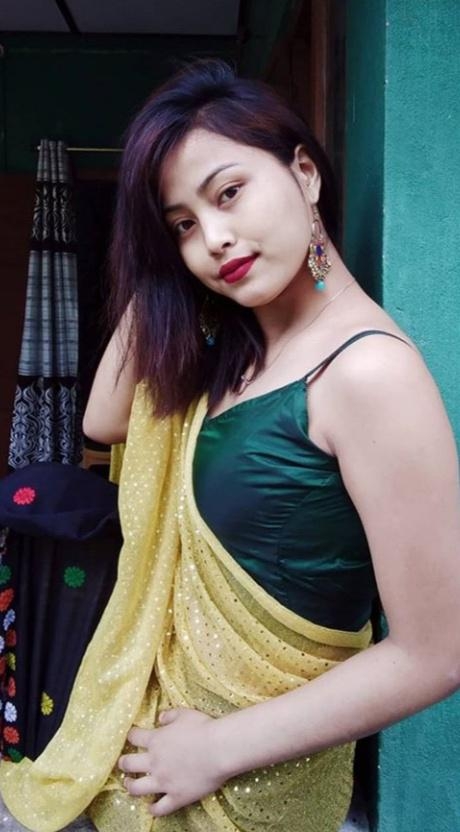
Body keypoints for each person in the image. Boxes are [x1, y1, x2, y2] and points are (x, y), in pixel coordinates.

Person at [1, 59, 459, 832]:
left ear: (305, 174)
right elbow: (104, 420)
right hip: (145, 773)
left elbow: (436, 652)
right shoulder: (232, 351)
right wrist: (163, 273)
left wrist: (217, 750)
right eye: (181, 224)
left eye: (229, 193)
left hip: (250, 796)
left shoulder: (368, 373)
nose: (213, 238)